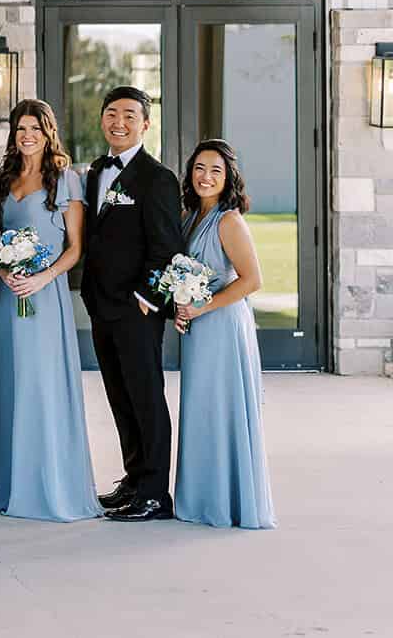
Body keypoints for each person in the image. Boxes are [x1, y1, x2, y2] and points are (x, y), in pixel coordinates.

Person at [0, 100, 100, 523]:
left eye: (35, 127)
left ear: (48, 132)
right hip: (4, 295)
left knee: (40, 385)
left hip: (43, 297)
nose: (27, 135)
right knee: (8, 382)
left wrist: (42, 278)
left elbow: (76, 248)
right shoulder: (1, 181)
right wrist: (1, 263)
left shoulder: (65, 180)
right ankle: (6, 485)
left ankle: (47, 484)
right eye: (20, 128)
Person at [80, 86, 183, 523]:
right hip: (101, 304)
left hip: (136, 308)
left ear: (145, 124)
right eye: (111, 113)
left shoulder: (157, 178)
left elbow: (167, 248)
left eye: (128, 115)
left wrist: (147, 298)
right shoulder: (95, 171)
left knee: (145, 396)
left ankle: (156, 493)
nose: (118, 122)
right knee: (119, 396)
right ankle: (134, 477)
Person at [172, 140, 276, 530]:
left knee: (222, 408)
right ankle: (202, 496)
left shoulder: (229, 221)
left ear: (229, 176)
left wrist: (202, 307)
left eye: (215, 170)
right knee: (202, 409)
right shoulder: (190, 216)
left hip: (224, 327)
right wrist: (182, 309)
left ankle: (226, 501)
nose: (206, 176)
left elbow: (253, 280)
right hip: (198, 326)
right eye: (199, 168)